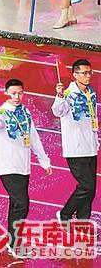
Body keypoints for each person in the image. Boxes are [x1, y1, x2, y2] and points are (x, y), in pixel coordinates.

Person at [0, 78, 52, 254]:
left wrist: (44, 161)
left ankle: (13, 242)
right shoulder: (1, 112)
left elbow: (34, 137)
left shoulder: (25, 112)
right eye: (13, 93)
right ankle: (15, 244)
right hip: (8, 166)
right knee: (22, 203)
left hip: (23, 165)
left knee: (16, 204)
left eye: (20, 93)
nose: (17, 97)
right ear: (6, 93)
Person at [52, 60, 98, 222]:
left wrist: (96, 141)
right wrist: (59, 96)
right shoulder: (68, 94)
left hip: (91, 147)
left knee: (90, 190)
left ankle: (82, 222)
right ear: (75, 75)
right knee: (87, 186)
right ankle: (64, 214)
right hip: (76, 149)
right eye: (84, 73)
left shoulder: (90, 92)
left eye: (89, 72)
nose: (88, 76)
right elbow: (57, 111)